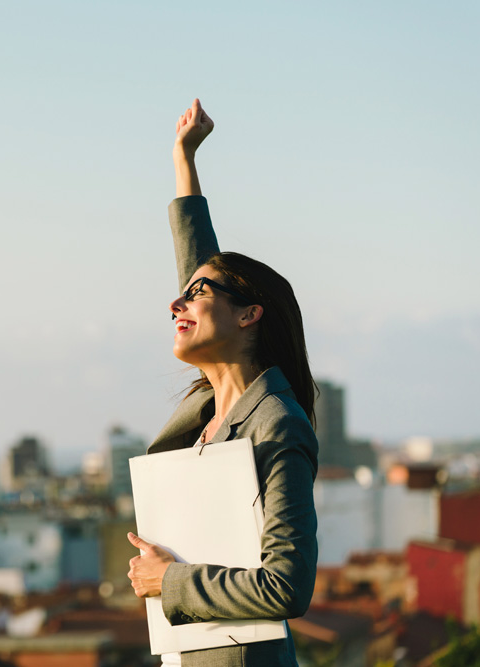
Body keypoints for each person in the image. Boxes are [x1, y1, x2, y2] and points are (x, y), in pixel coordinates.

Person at [125, 99, 319, 667]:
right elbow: (202, 262)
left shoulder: (277, 423)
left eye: (196, 294)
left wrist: (170, 580)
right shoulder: (214, 409)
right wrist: (184, 159)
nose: (176, 302)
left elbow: (287, 587)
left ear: (249, 315)